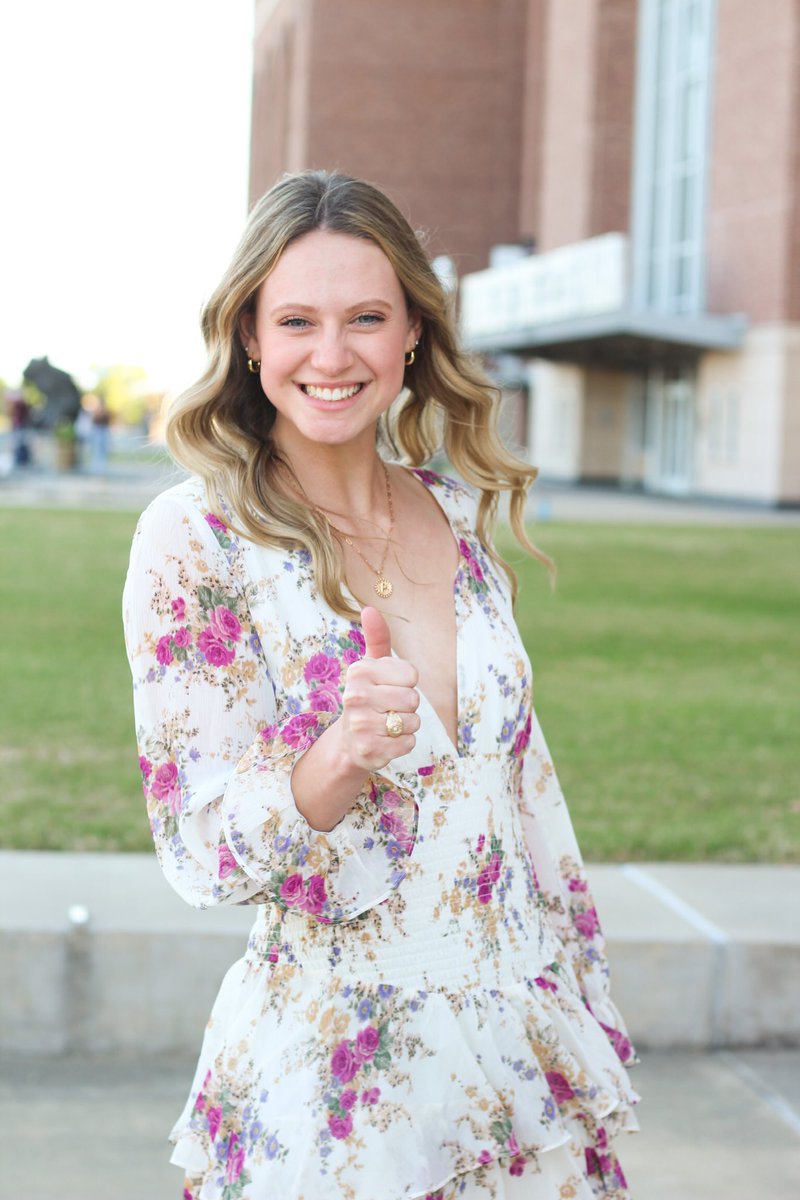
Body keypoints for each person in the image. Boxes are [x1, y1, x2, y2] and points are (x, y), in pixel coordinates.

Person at [123, 170, 638, 1200]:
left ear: (411, 333)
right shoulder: (193, 539)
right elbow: (201, 852)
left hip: (512, 1045)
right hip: (339, 1087)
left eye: (365, 317)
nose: (331, 354)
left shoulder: (456, 513)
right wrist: (339, 755)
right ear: (251, 339)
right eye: (296, 320)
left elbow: (522, 790)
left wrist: (584, 997)